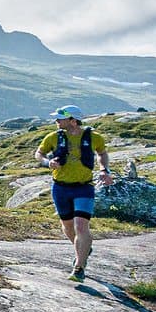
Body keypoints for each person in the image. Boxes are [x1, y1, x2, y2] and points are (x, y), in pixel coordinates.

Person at [35, 105, 113, 281]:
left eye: (60, 118)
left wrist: (104, 170)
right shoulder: (53, 137)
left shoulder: (94, 137)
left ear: (72, 120)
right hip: (60, 188)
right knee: (68, 226)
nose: (56, 121)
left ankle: (79, 267)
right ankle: (84, 249)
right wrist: (47, 162)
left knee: (80, 226)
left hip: (84, 187)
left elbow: (102, 153)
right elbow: (38, 154)